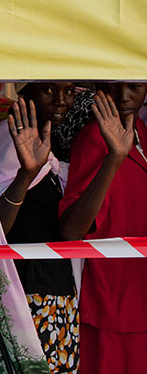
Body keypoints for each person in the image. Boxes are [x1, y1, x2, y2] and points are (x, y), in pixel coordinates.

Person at [0, 83, 79, 373]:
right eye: (48, 90)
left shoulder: (51, 148)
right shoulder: (6, 143)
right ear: (25, 94)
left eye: (69, 92)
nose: (60, 101)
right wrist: (26, 174)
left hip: (58, 297)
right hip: (26, 299)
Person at [59, 83, 147, 374]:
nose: (123, 97)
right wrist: (115, 158)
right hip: (115, 308)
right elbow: (71, 231)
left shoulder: (142, 132)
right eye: (113, 86)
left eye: (134, 87)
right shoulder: (95, 139)